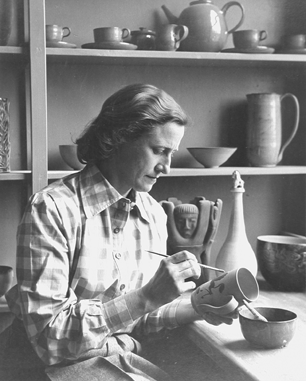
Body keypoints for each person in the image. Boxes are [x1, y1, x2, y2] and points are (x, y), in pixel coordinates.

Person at [3, 84, 237, 381]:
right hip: (41, 370)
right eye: (159, 151)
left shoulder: (152, 214)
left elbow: (139, 319)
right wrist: (146, 298)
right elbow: (50, 340)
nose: (166, 167)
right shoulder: (52, 208)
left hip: (113, 361)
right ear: (118, 138)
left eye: (171, 153)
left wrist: (197, 304)